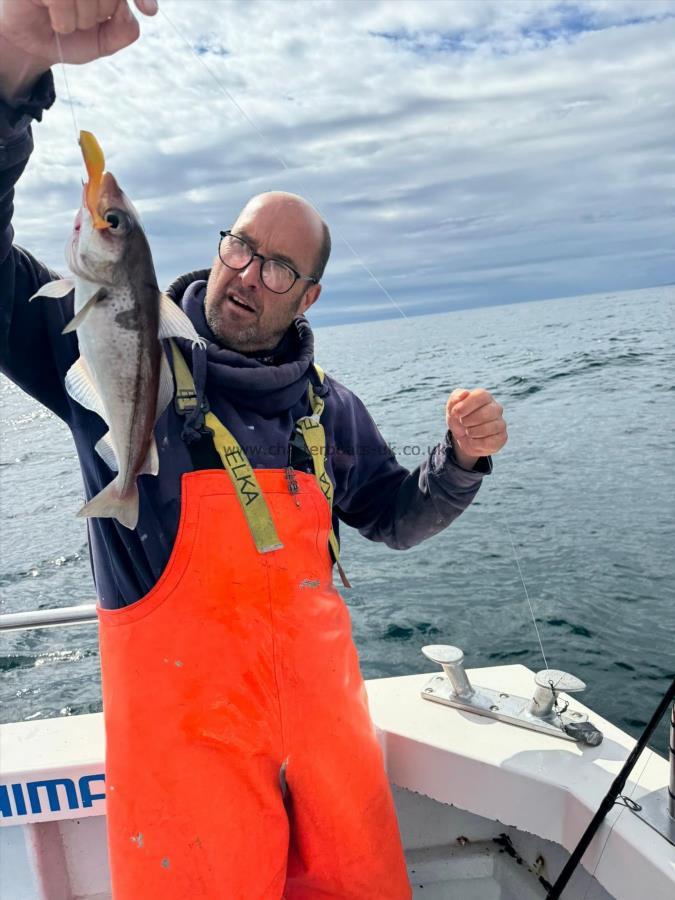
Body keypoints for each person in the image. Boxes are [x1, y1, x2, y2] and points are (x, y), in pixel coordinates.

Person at [0, 2, 508, 897]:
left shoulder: (325, 409)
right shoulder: (104, 344)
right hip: (187, 762)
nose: (247, 273)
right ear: (218, 246)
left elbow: (392, 515)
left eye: (278, 266)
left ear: (305, 298)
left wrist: (459, 463)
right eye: (241, 246)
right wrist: (8, 74)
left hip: (327, 748)